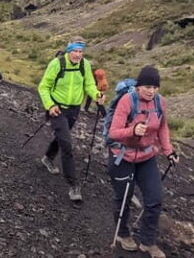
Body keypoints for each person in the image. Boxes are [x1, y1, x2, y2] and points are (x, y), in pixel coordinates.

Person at [107, 66, 177, 258]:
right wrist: (132, 130)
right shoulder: (127, 101)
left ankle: (147, 242)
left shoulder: (160, 103)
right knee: (124, 199)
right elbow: (114, 132)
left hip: (147, 157)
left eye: (155, 87)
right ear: (138, 86)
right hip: (123, 156)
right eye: (147, 86)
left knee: (155, 200)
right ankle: (122, 234)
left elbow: (162, 128)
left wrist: (168, 151)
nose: (151, 91)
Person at [37, 36, 104, 202]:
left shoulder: (84, 65)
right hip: (56, 108)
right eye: (75, 51)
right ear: (69, 50)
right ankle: (73, 185)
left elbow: (88, 84)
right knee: (67, 144)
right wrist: (50, 105)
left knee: (62, 138)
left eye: (81, 51)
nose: (78, 54)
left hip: (74, 109)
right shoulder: (57, 64)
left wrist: (96, 95)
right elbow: (43, 87)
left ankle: (47, 158)